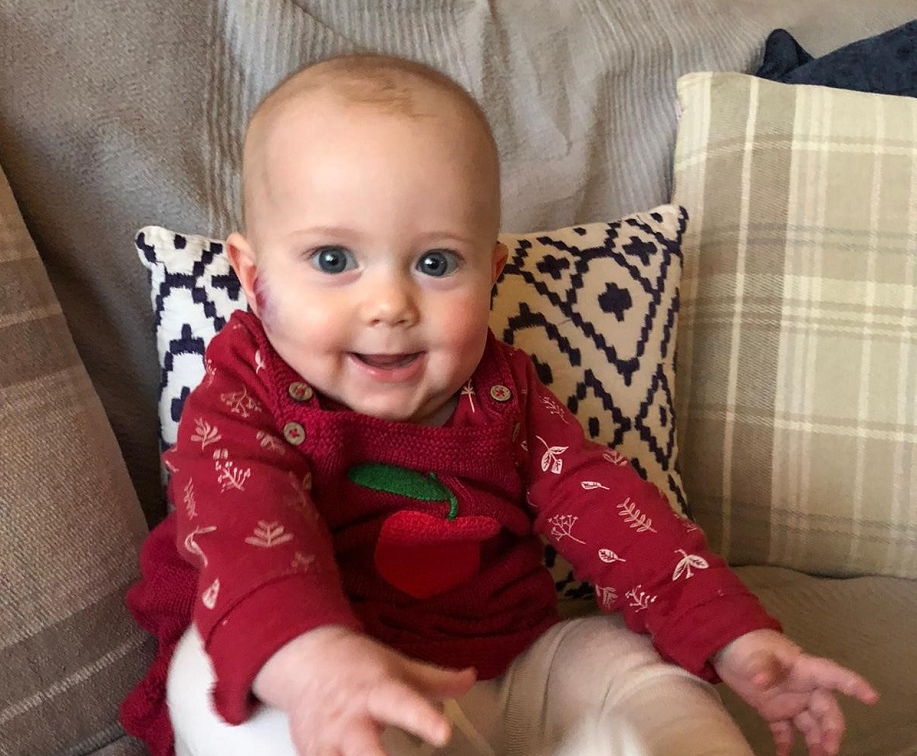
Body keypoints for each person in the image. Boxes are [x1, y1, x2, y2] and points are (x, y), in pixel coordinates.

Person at [121, 53, 878, 756]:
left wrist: (731, 635)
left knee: (625, 665)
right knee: (213, 675)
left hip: (507, 663)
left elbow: (606, 503)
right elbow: (244, 520)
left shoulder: (502, 389)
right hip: (328, 680)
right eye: (332, 260)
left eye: (435, 262)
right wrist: (308, 654)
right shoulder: (241, 397)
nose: (389, 303)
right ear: (254, 278)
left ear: (491, 272)